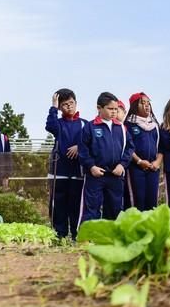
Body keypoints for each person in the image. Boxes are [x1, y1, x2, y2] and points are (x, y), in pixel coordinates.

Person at [78, 92, 134, 224]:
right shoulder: (90, 127)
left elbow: (130, 148)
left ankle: (111, 240)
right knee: (92, 208)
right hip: (96, 175)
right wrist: (91, 166)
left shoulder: (121, 127)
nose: (114, 112)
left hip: (115, 175)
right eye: (110, 109)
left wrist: (122, 165)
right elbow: (83, 150)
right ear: (99, 108)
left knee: (115, 209)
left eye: (116, 109)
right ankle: (87, 239)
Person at [46, 89, 86, 239]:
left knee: (76, 205)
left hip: (78, 172)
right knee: (59, 205)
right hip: (59, 171)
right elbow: (50, 126)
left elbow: (91, 142)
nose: (69, 107)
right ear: (60, 107)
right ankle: (60, 234)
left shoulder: (85, 124)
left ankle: (77, 235)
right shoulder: (58, 123)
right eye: (64, 105)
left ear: (76, 103)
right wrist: (53, 107)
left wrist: (79, 147)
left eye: (71, 103)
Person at [125, 92, 163, 211]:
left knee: (152, 202)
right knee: (137, 201)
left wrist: (157, 162)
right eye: (143, 103)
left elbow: (161, 147)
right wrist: (139, 161)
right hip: (136, 168)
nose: (147, 106)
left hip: (153, 168)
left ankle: (149, 228)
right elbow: (127, 147)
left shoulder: (155, 125)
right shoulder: (128, 124)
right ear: (135, 106)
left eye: (148, 103)